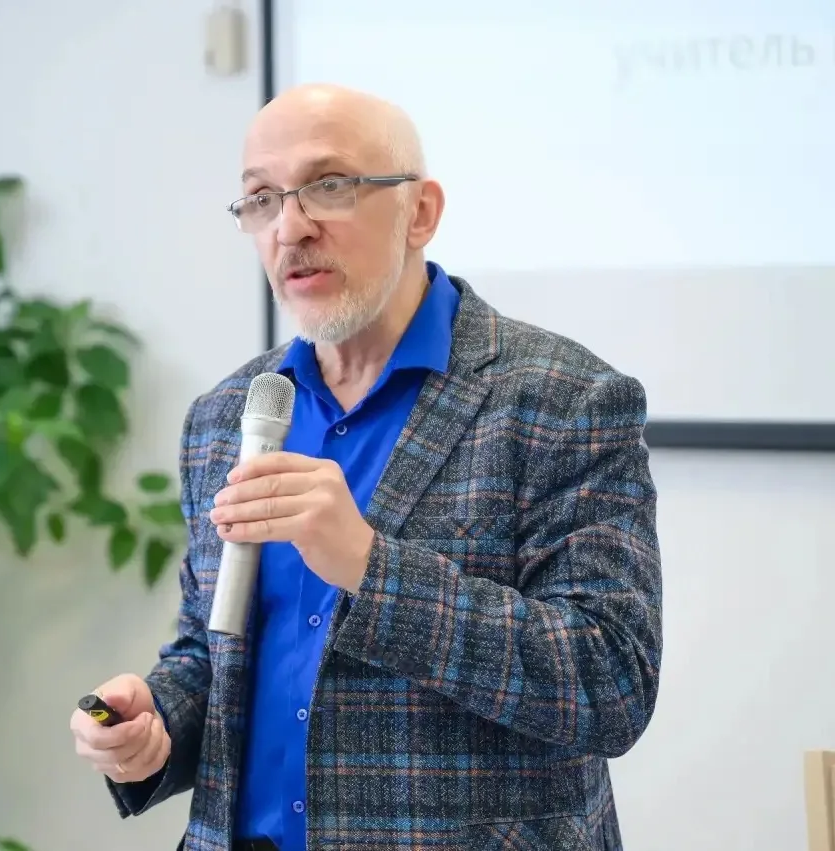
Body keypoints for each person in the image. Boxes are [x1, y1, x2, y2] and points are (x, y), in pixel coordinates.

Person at [68, 83, 663, 851]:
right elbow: (213, 655)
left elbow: (611, 684)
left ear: (420, 212)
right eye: (261, 198)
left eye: (328, 185)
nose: (290, 227)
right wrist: (155, 720)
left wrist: (372, 568)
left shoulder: (565, 399)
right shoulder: (226, 416)